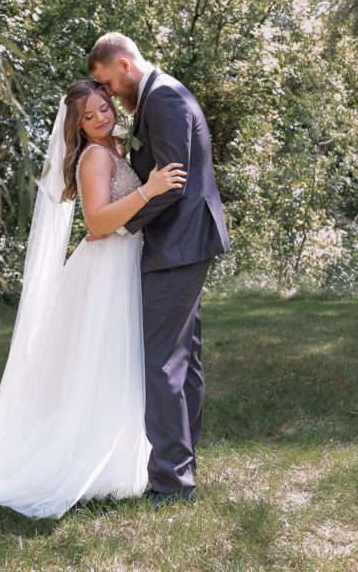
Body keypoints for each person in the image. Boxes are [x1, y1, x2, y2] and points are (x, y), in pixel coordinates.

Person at [0, 80, 186, 518]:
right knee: (102, 360)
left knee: (116, 360)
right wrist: (149, 190)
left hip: (121, 264)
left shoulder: (115, 149)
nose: (102, 117)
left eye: (104, 107)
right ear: (77, 127)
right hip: (105, 266)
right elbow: (97, 222)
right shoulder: (95, 157)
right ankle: (91, 455)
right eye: (90, 115)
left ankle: (121, 451)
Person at [88, 32, 229, 505]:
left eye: (108, 82)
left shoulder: (163, 98)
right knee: (183, 357)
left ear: (125, 65)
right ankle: (181, 465)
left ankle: (171, 482)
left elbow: (170, 184)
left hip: (178, 243)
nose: (109, 95)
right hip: (186, 242)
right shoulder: (159, 94)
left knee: (162, 361)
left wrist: (120, 227)